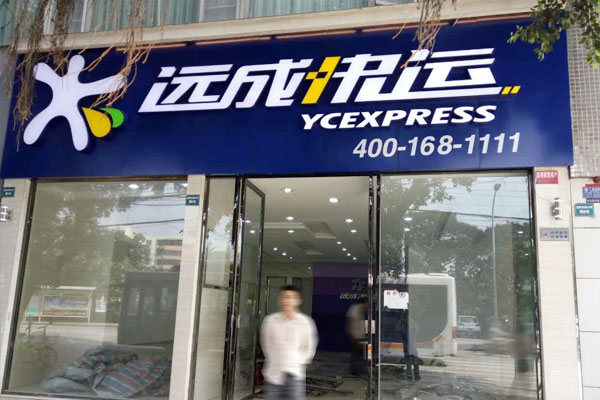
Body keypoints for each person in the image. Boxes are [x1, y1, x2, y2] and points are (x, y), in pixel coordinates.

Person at [260, 285, 318, 400]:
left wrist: (297, 361)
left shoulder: (305, 322)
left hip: (295, 376)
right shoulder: (270, 321)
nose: (287, 300)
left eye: (291, 297)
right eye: (284, 297)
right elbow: (266, 344)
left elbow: (309, 347)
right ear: (280, 299)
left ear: (298, 301)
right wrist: (276, 360)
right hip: (273, 375)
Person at [346, 297, 368, 376]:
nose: (367, 306)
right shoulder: (354, 309)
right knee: (356, 355)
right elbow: (350, 322)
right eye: (367, 304)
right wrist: (352, 334)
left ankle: (359, 370)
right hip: (356, 336)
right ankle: (355, 371)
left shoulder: (360, 310)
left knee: (360, 354)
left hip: (360, 336)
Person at [398, 312, 420, 381]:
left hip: (408, 345)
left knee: (409, 360)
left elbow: (399, 329)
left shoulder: (404, 324)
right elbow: (416, 331)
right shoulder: (411, 324)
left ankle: (411, 374)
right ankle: (416, 374)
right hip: (411, 345)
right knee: (414, 360)